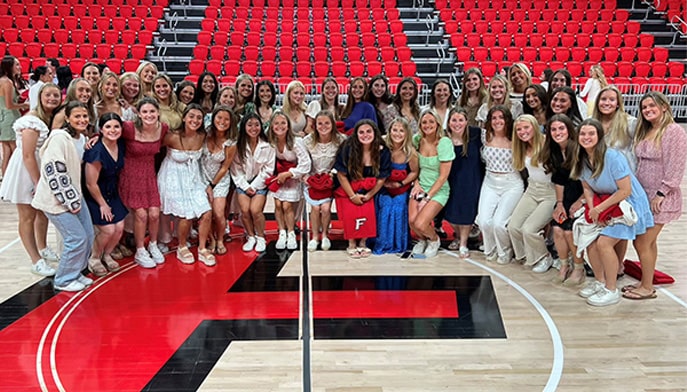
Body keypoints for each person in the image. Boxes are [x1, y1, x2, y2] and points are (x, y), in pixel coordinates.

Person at [570, 119, 653, 306]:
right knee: (589, 240)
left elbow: (625, 191)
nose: (586, 137)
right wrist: (592, 208)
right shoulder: (580, 158)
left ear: (599, 136)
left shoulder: (613, 157)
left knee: (604, 244)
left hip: (627, 205)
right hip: (605, 203)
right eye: (583, 134)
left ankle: (611, 289)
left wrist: (599, 209)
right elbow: (588, 188)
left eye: (591, 133)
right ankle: (600, 282)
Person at [628, 92, 687, 300]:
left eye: (652, 105)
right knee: (648, 242)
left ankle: (647, 288)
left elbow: (676, 166)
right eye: (644, 107)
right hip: (643, 195)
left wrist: (662, 193)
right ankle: (647, 279)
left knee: (642, 242)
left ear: (664, 106)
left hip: (660, 197)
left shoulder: (673, 131)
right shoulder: (647, 130)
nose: (647, 110)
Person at [31, 102, 95, 291]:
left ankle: (75, 273)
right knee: (76, 238)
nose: (82, 120)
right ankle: (64, 279)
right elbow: (54, 171)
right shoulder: (59, 137)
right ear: (67, 118)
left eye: (85, 116)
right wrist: (70, 201)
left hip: (75, 195)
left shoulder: (81, 138)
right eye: (77, 116)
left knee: (88, 235)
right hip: (56, 199)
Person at [0, 83, 62, 276]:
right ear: (40, 97)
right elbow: (28, 155)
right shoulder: (31, 120)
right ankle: (35, 260)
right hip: (26, 170)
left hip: (39, 166)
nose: (52, 98)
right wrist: (38, 182)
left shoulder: (49, 117)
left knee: (42, 213)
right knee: (27, 216)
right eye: (48, 95)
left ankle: (43, 248)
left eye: (56, 95)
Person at [158, 104, 215, 266]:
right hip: (172, 178)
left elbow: (203, 161)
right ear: (184, 118)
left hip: (194, 177)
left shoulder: (202, 136)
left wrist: (207, 184)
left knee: (206, 212)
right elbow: (150, 147)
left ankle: (203, 249)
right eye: (191, 116)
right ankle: (181, 246)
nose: (195, 120)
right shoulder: (171, 136)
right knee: (186, 215)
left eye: (199, 117)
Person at [118, 97, 168, 268]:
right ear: (138, 114)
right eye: (145, 111)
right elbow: (110, 131)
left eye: (152, 111)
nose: (149, 115)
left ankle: (152, 245)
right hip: (130, 174)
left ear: (158, 112)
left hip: (149, 175)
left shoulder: (163, 129)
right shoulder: (129, 128)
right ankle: (140, 250)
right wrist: (95, 138)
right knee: (141, 215)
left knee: (155, 214)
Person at [334, 119, 390, 258]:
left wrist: (369, 195)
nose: (365, 135)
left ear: (375, 133)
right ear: (356, 135)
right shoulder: (347, 147)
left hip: (370, 189)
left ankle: (363, 243)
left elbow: (382, 178)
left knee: (368, 207)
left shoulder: (383, 151)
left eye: (369, 131)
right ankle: (351, 242)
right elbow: (341, 175)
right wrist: (352, 195)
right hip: (348, 187)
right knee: (351, 207)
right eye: (361, 132)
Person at [508, 114, 556, 271]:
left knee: (529, 229)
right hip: (532, 189)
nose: (522, 132)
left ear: (534, 126)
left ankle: (544, 257)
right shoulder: (521, 147)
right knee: (513, 226)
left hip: (551, 192)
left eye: (526, 127)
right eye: (519, 129)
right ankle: (527, 256)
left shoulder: (548, 143)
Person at [476, 105, 523, 264]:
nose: (497, 121)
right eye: (494, 118)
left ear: (508, 120)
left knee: (499, 223)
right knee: (483, 221)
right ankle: (491, 248)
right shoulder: (484, 136)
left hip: (511, 184)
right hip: (489, 182)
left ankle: (506, 250)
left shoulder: (516, 138)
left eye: (501, 117)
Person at [542, 114, 586, 285]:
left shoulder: (578, 149)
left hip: (585, 195)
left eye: (561, 128)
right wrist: (559, 204)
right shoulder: (553, 151)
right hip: (566, 195)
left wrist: (580, 201)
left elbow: (589, 182)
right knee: (558, 230)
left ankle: (579, 268)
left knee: (569, 231)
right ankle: (563, 265)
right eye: (553, 129)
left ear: (569, 129)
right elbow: (559, 180)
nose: (557, 132)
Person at [83, 113, 127, 276]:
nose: (113, 130)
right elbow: (90, 183)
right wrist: (102, 204)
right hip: (96, 194)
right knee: (108, 229)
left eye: (116, 126)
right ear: (101, 129)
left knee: (120, 227)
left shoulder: (121, 144)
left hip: (112, 191)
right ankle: (94, 258)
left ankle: (107, 254)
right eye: (108, 126)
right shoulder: (96, 151)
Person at [409, 109, 455, 258]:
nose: (427, 125)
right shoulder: (417, 140)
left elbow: (443, 177)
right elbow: (414, 167)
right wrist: (416, 183)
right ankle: (422, 240)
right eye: (424, 122)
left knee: (421, 223)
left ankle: (434, 240)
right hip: (420, 186)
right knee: (411, 221)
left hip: (438, 190)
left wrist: (427, 198)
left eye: (431, 121)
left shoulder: (444, 143)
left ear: (437, 123)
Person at [231, 112, 275, 253]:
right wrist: (245, 186)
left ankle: (261, 237)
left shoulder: (268, 146)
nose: (253, 128)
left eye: (256, 125)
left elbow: (268, 169)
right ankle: (251, 236)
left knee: (255, 210)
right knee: (244, 210)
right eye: (249, 125)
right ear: (244, 127)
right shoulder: (238, 146)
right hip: (243, 183)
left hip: (260, 184)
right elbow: (236, 169)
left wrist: (254, 186)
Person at [267, 110, 311, 250]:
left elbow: (306, 164)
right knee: (278, 205)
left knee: (287, 206)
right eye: (276, 123)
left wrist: (289, 174)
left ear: (288, 125)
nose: (280, 126)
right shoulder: (271, 142)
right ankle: (282, 232)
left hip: (294, 176)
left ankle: (291, 232)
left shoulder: (296, 142)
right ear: (272, 126)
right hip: (279, 176)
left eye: (283, 123)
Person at [374, 117, 418, 254]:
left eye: (401, 131)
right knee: (386, 206)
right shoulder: (381, 147)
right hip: (383, 187)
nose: (397, 134)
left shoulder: (410, 152)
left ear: (407, 134)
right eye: (394, 130)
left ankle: (398, 243)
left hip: (402, 188)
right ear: (389, 131)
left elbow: (415, 172)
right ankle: (381, 242)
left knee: (398, 207)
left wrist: (400, 183)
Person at [303, 110, 346, 251]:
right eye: (319, 123)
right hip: (311, 179)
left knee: (326, 208)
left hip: (330, 179)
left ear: (332, 124)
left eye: (327, 123)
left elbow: (343, 161)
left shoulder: (341, 140)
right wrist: (307, 177)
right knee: (315, 208)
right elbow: (303, 162)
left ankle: (325, 235)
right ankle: (315, 237)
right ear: (315, 125)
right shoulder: (307, 141)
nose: (323, 126)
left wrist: (332, 174)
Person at [444, 107, 483, 258]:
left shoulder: (476, 135)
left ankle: (463, 243)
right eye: (454, 120)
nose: (457, 123)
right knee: (452, 211)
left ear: (467, 121)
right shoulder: (444, 138)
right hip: (450, 178)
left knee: (466, 211)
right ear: (448, 122)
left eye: (461, 120)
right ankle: (457, 236)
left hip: (470, 179)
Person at [201, 106, 237, 255]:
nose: (222, 121)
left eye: (226, 119)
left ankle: (220, 239)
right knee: (206, 213)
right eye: (219, 118)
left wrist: (212, 185)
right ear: (213, 118)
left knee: (218, 213)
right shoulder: (204, 135)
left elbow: (225, 167)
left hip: (220, 180)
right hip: (202, 177)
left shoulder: (231, 142)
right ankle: (211, 239)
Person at [592, 85, 637, 171]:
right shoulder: (590, 121)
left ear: (618, 104)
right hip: (597, 170)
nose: (607, 103)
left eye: (612, 100)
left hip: (623, 171)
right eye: (603, 99)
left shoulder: (630, 122)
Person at [1, 56, 30, 176]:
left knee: (7, 152)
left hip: (3, 117)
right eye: (17, 65)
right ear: (9, 67)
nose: (20, 67)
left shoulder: (4, 80)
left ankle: (5, 181)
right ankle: (13, 179)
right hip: (9, 117)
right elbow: (9, 105)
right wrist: (24, 105)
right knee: (15, 151)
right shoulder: (6, 82)